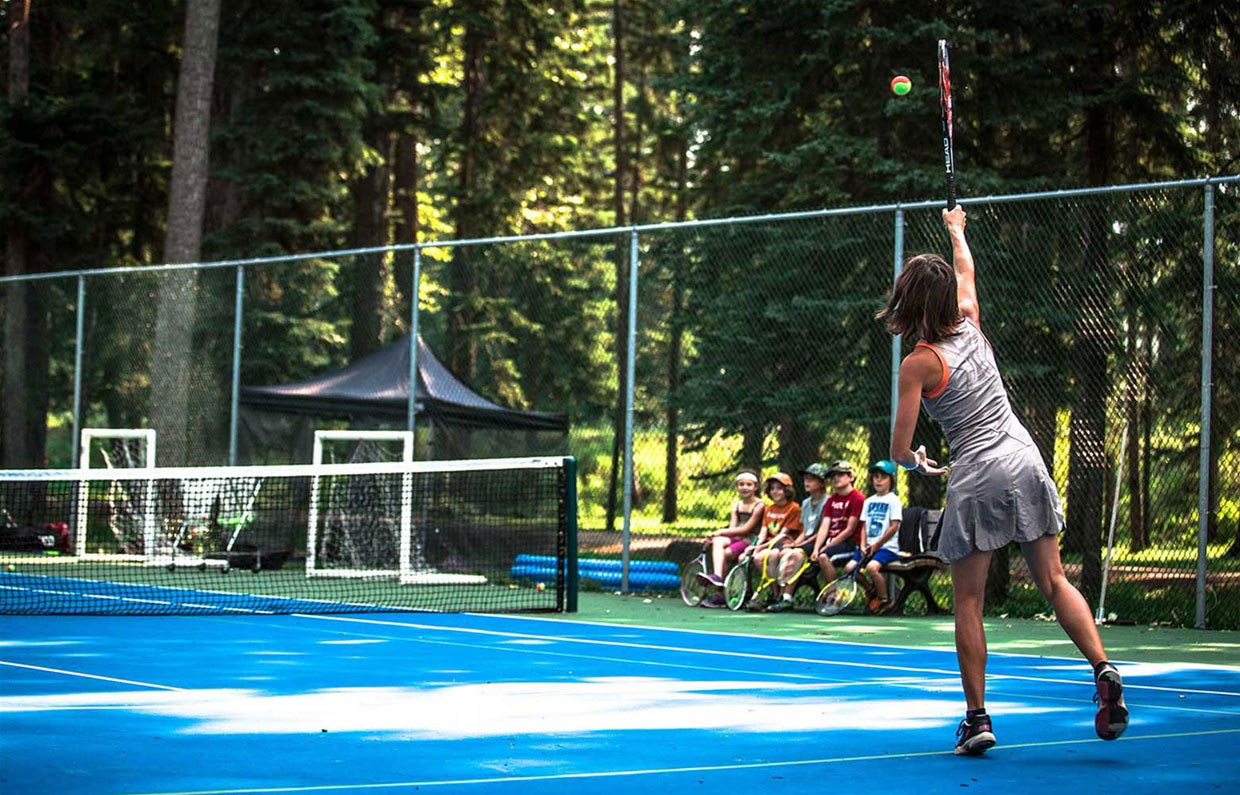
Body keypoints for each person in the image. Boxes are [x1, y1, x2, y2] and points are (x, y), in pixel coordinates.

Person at [881, 205, 1128, 755]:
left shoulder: (918, 364)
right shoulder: (969, 319)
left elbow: (898, 450)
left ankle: (977, 718)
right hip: (1025, 455)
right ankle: (1104, 668)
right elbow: (965, 271)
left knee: (968, 599)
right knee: (1055, 580)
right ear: (946, 301)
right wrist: (957, 231)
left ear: (907, 304)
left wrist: (918, 460)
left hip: (978, 469)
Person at [766, 463, 829, 612]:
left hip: (820, 543)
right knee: (782, 552)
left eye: (811, 479)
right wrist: (795, 543)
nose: (806, 482)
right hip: (806, 542)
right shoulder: (806, 503)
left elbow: (820, 533)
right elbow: (804, 531)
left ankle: (787, 598)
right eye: (806, 479)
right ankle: (778, 596)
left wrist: (797, 547)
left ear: (821, 483)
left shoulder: (828, 502)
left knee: (794, 554)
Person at [845, 460, 904, 613]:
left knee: (872, 568)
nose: (878, 480)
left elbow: (894, 526)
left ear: (891, 480)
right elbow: (863, 526)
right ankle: (870, 590)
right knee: (849, 568)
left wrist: (877, 545)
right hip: (868, 547)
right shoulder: (869, 501)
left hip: (886, 548)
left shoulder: (894, 500)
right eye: (876, 477)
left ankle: (884, 600)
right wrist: (863, 545)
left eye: (883, 477)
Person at [738, 472, 802, 610]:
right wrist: (755, 546)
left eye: (779, 488)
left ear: (787, 490)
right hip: (770, 545)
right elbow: (763, 533)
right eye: (772, 488)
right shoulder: (769, 508)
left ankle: (779, 595)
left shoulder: (794, 508)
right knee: (754, 557)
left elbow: (782, 536)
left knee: (770, 555)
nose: (775, 491)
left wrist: (760, 548)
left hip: (784, 545)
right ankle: (774, 594)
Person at [698, 470, 765, 602]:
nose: (745, 487)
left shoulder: (760, 505)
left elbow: (746, 529)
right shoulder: (737, 505)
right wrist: (714, 536)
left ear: (755, 487)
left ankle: (721, 593)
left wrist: (719, 531)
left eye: (749, 484)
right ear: (737, 487)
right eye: (741, 484)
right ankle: (718, 578)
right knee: (717, 542)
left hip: (750, 540)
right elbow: (733, 529)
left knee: (725, 553)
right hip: (737, 538)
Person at [808, 460, 864, 584]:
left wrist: (827, 547)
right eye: (833, 476)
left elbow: (850, 530)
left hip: (851, 544)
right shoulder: (831, 500)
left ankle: (833, 597)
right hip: (832, 543)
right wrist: (816, 549)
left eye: (840, 474)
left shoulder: (858, 499)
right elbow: (824, 526)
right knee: (811, 554)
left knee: (824, 557)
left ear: (851, 477)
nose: (836, 478)